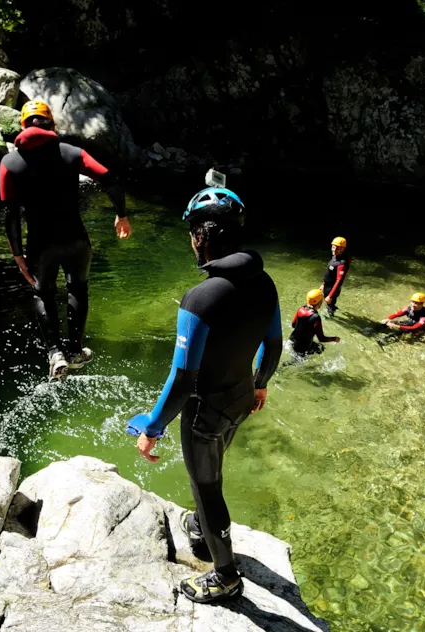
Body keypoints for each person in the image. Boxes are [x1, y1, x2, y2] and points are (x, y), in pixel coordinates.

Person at [125, 185, 283, 605]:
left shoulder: (200, 299)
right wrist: (261, 383)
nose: (191, 241)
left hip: (204, 411)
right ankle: (201, 525)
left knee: (207, 486)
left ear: (202, 236)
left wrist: (152, 428)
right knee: (214, 468)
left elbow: (182, 380)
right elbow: (274, 344)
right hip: (240, 400)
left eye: (192, 233)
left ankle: (226, 577)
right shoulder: (265, 283)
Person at [0, 100, 132, 381]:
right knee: (78, 288)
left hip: (41, 245)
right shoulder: (72, 153)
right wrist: (121, 215)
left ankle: (55, 353)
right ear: (52, 124)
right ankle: (74, 350)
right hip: (76, 240)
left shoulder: (10, 163)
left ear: (23, 126)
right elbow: (110, 179)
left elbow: (10, 214)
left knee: (42, 293)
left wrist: (18, 255)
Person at [289, 289, 341, 355]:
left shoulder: (301, 309)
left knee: (321, 348)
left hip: (293, 340)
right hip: (303, 347)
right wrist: (334, 339)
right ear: (319, 303)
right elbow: (321, 338)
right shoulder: (316, 317)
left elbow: (293, 325)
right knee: (320, 350)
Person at [320, 236, 351, 316]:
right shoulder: (335, 257)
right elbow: (329, 273)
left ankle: (331, 317)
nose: (334, 250)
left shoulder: (342, 263)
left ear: (343, 249)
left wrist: (330, 296)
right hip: (327, 286)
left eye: (337, 248)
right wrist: (323, 284)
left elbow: (339, 280)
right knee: (328, 304)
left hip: (332, 289)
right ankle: (331, 309)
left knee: (330, 305)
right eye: (333, 247)